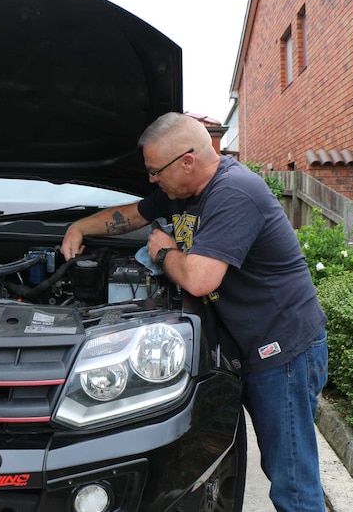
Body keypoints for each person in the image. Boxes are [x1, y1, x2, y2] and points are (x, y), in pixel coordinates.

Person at [60, 112, 328, 512]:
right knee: (280, 468)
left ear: (187, 161)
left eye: (155, 171)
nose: (152, 180)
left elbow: (200, 280)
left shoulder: (233, 192)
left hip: (283, 351)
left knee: (291, 481)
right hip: (248, 345)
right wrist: (80, 227)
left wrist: (164, 250)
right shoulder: (181, 190)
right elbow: (135, 214)